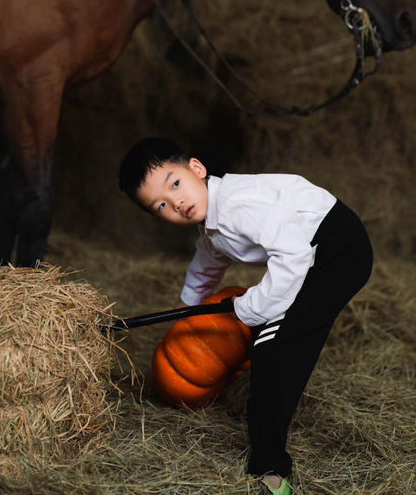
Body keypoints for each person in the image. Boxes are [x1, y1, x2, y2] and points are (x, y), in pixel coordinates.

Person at [118, 137, 373, 495]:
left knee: (275, 345)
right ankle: (264, 408)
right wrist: (186, 308)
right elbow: (206, 265)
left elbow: (293, 255)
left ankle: (271, 468)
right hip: (313, 256)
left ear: (196, 168)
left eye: (174, 184)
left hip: (337, 251)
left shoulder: (238, 205)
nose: (175, 202)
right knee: (270, 340)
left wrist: (253, 308)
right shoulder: (210, 224)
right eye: (161, 205)